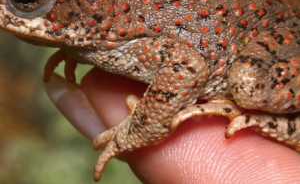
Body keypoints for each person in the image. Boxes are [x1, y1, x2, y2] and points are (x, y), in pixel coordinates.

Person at [46, 68, 300, 184]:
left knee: (248, 84)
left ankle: (285, 122)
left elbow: (187, 69)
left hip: (265, 50)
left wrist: (143, 125)